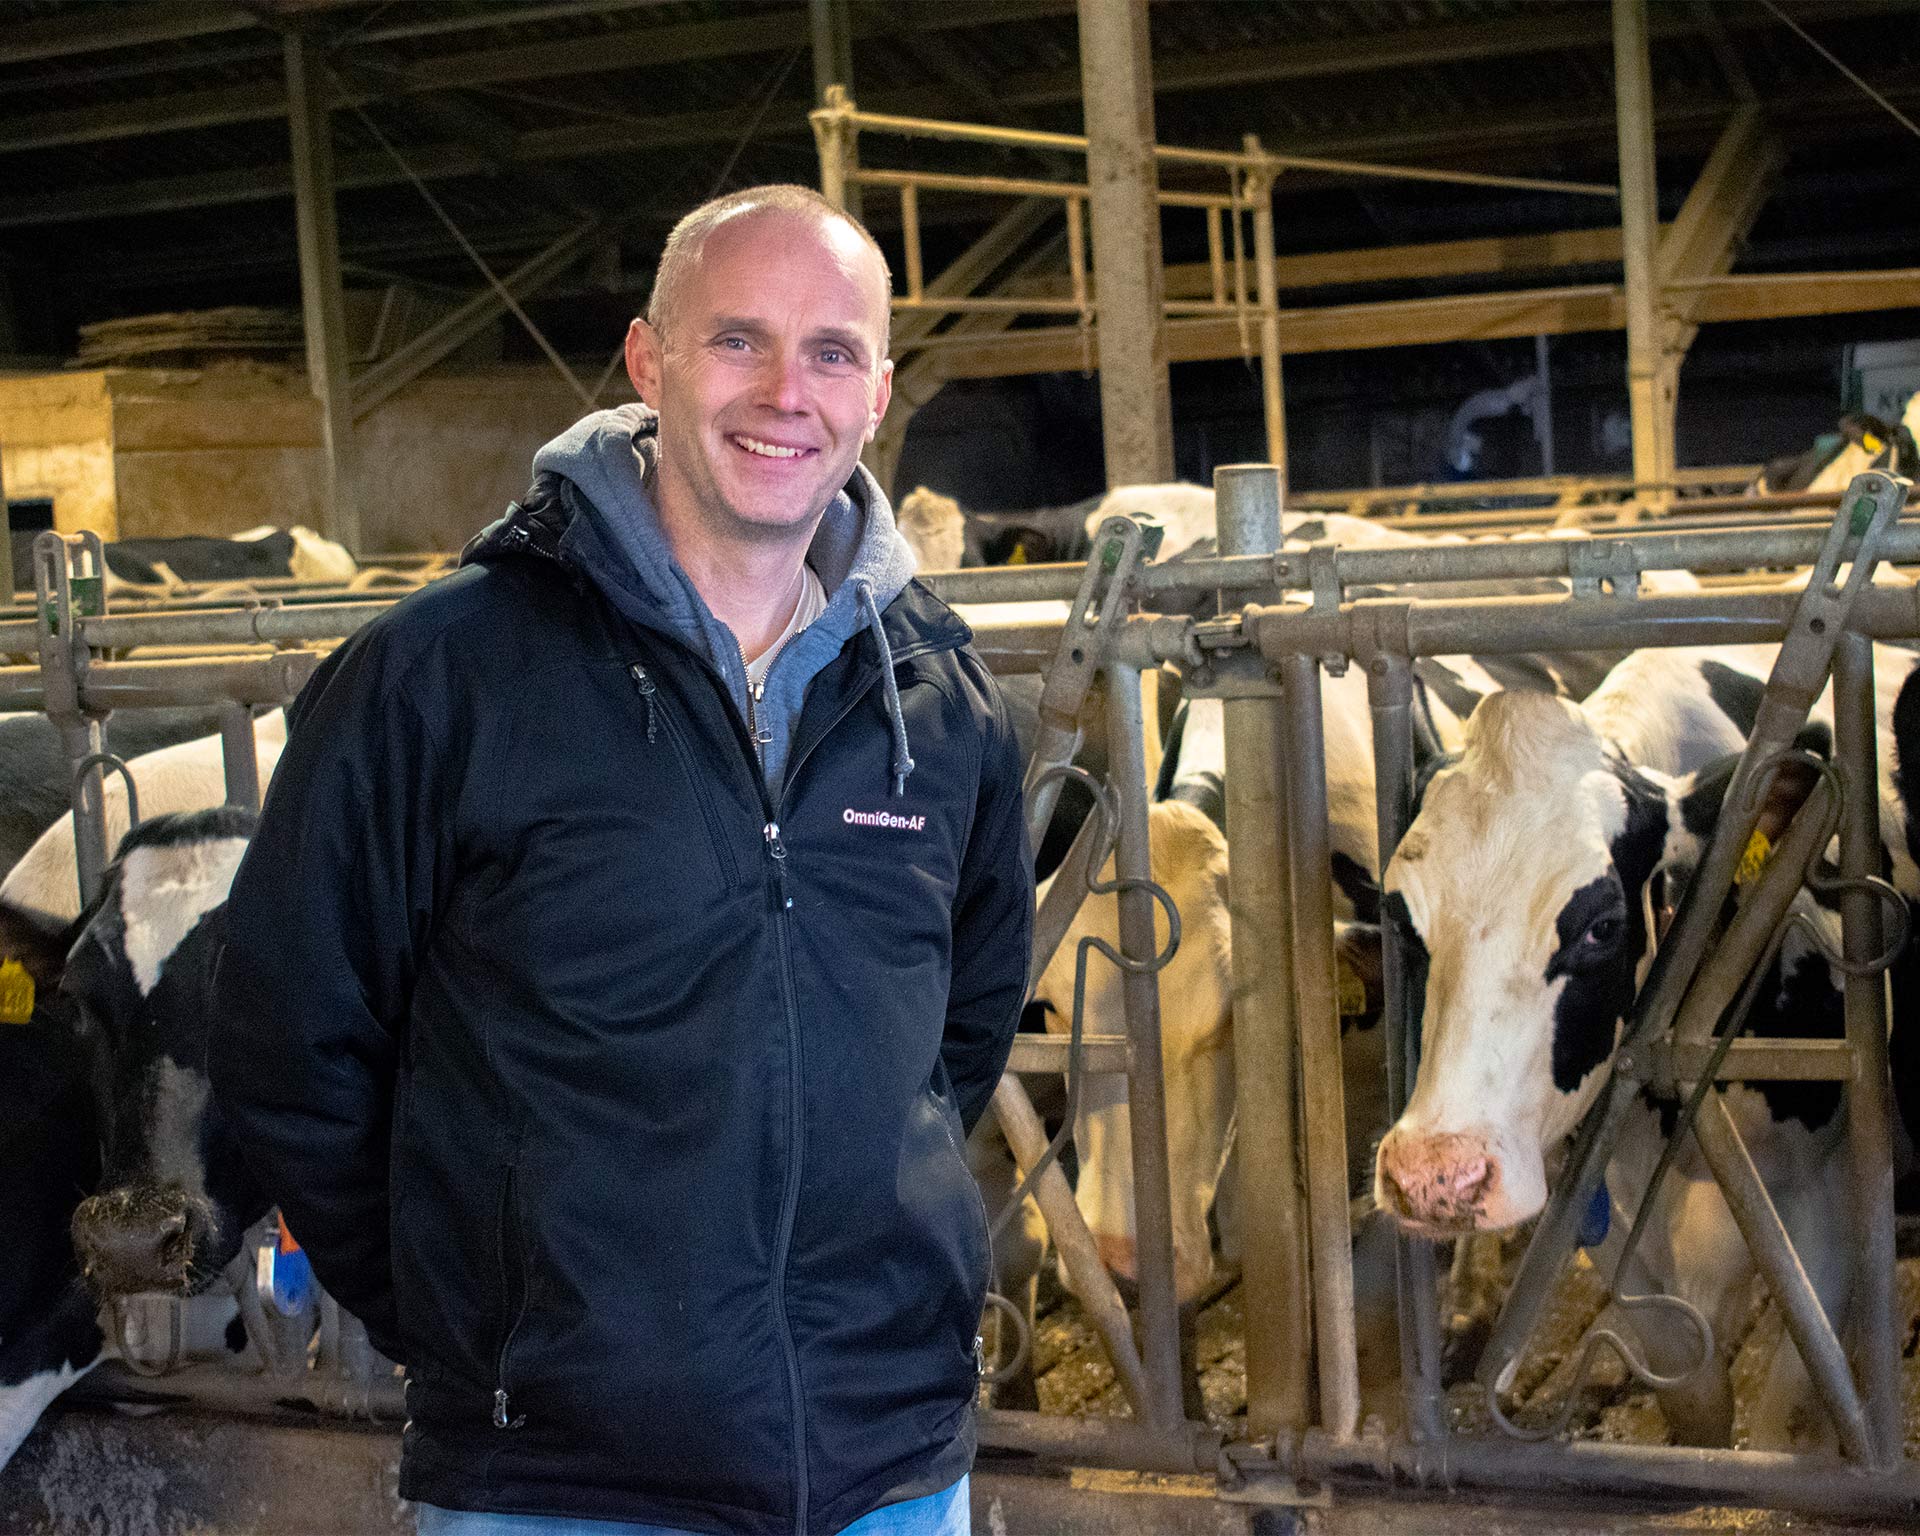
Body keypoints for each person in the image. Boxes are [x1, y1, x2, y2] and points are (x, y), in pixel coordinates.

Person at [210, 185, 1033, 1536]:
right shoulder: (443, 675)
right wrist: (482, 1318)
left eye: (831, 352)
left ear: (878, 392)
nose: (786, 392)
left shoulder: (942, 706)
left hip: (888, 1468)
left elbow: (959, 1025)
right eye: (737, 341)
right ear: (649, 361)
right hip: (559, 1485)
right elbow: (290, 1035)